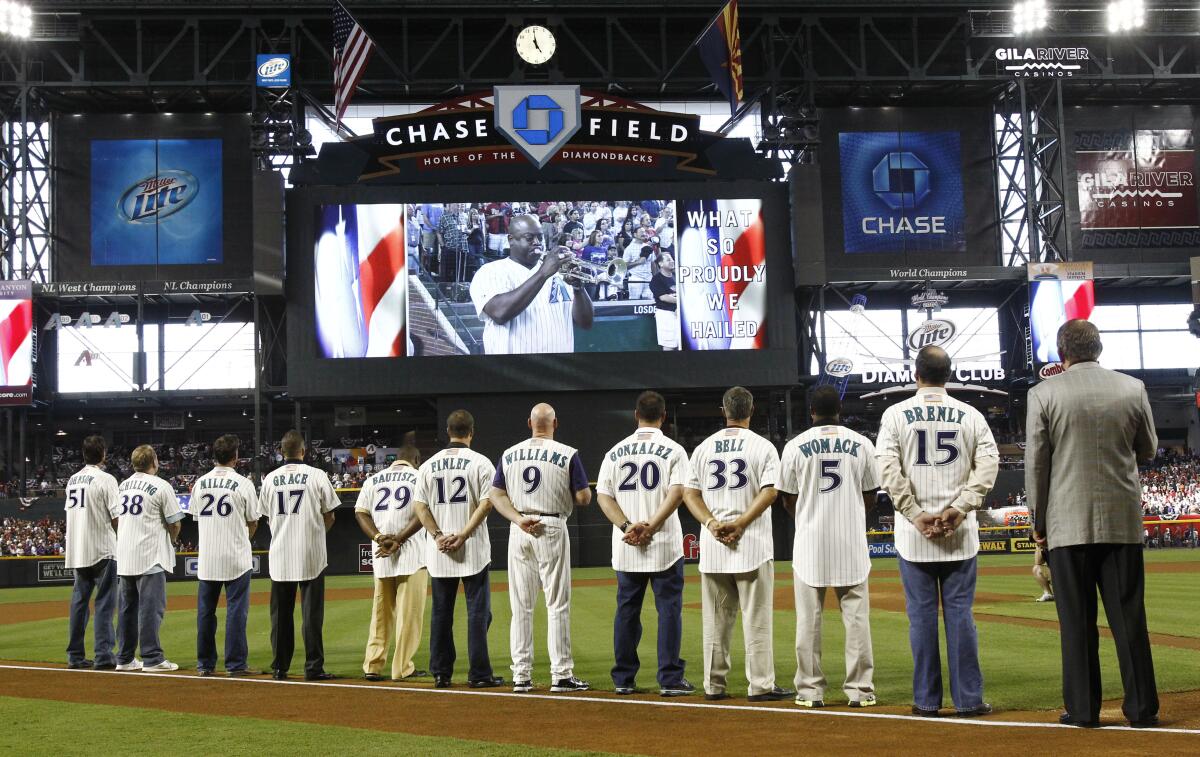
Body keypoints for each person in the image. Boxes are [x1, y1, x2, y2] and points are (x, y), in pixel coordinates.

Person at [1026, 319, 1159, 728]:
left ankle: (1084, 711)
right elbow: (1149, 449)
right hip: (1121, 520)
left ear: (1062, 353)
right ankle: (1141, 710)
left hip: (1067, 524)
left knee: (1077, 623)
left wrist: (1038, 523)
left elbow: (1036, 465)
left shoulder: (1043, 393)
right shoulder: (1132, 388)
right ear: (1098, 349)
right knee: (1130, 619)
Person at [876, 346, 998, 718]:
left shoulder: (895, 414)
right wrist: (960, 508)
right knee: (960, 615)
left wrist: (914, 513)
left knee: (922, 619)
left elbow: (886, 466)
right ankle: (969, 700)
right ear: (949, 374)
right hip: (959, 534)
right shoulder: (971, 414)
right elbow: (990, 462)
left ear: (917, 374)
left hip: (915, 536)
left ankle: (927, 701)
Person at [682, 387, 792, 702]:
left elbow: (690, 493)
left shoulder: (703, 448)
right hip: (752, 545)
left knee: (716, 623)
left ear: (724, 411)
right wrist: (741, 523)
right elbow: (770, 491)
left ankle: (713, 685)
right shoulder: (763, 446)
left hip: (714, 546)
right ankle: (760, 686)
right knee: (756, 619)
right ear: (751, 410)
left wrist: (712, 523)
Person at [777, 386, 879, 709]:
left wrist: (808, 513)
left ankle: (809, 691)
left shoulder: (794, 446)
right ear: (840, 410)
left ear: (811, 411)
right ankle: (861, 691)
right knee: (857, 620)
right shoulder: (862, 444)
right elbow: (871, 496)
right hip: (851, 543)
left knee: (808, 621)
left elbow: (787, 499)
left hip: (810, 544)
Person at [488, 403, 592, 693]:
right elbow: (583, 498)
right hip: (551, 527)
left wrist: (519, 519)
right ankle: (561, 675)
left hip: (519, 528)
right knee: (557, 604)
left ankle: (521, 676)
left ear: (529, 422)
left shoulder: (509, 453)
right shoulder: (567, 453)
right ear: (555, 423)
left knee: (521, 606)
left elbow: (496, 494)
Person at [595, 391, 693, 697]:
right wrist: (651, 526)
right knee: (669, 611)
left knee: (627, 611)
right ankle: (670, 679)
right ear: (663, 416)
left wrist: (627, 526)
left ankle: (624, 678)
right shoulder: (674, 449)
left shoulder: (615, 452)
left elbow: (603, 495)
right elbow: (677, 493)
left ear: (636, 415)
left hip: (627, 545)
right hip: (663, 544)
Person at [413, 410, 504, 689]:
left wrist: (438, 534)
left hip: (439, 551)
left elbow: (420, 506)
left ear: (448, 431)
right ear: (471, 432)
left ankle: (441, 673)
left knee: (441, 613)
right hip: (472, 548)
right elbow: (488, 503)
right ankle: (479, 674)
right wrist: (463, 534)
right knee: (478, 614)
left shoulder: (428, 465)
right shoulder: (480, 462)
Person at [258, 430, 340, 681]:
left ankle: (280, 667)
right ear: (303, 451)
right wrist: (316, 532)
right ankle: (313, 667)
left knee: (280, 616)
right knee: (311, 615)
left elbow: (267, 517)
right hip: (311, 554)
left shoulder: (270, 479)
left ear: (282, 452)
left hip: (281, 553)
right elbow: (330, 514)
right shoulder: (317, 475)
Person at [468, 214, 594, 355]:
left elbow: (585, 323)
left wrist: (578, 288)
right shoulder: (490, 271)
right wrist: (543, 273)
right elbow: (499, 313)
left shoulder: (559, 272)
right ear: (511, 240)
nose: (537, 242)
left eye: (540, 237)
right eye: (529, 238)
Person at [354, 445, 428, 682]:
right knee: (409, 615)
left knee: (380, 614)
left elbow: (360, 512)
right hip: (412, 554)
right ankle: (402, 668)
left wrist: (379, 537)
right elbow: (423, 513)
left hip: (382, 553)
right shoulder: (420, 476)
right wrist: (400, 538)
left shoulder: (374, 479)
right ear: (416, 459)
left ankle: (373, 666)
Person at [191, 434, 260, 677]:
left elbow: (197, 518)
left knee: (205, 613)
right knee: (236, 612)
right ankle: (236, 664)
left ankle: (205, 665)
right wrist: (242, 538)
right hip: (236, 557)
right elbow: (253, 522)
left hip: (208, 558)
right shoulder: (243, 483)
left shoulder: (200, 483)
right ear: (236, 456)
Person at [113, 445, 184, 673]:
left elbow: (116, 520)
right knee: (150, 609)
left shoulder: (123, 486)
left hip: (125, 555)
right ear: (154, 462)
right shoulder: (162, 486)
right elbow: (175, 522)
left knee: (127, 609)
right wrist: (172, 541)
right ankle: (152, 658)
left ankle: (124, 658)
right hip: (150, 555)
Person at [63, 435, 120, 671]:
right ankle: (103, 655)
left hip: (78, 550)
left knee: (79, 602)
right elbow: (117, 517)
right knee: (105, 603)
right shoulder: (106, 479)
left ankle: (75, 656)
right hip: (102, 549)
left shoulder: (72, 480)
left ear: (84, 454)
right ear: (103, 454)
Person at [649, 253, 679, 351]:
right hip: (666, 314)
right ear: (661, 264)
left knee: (681, 344)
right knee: (669, 345)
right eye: (668, 260)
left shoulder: (676, 276)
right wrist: (682, 302)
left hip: (679, 313)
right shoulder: (656, 279)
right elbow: (664, 297)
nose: (672, 261)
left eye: (672, 259)